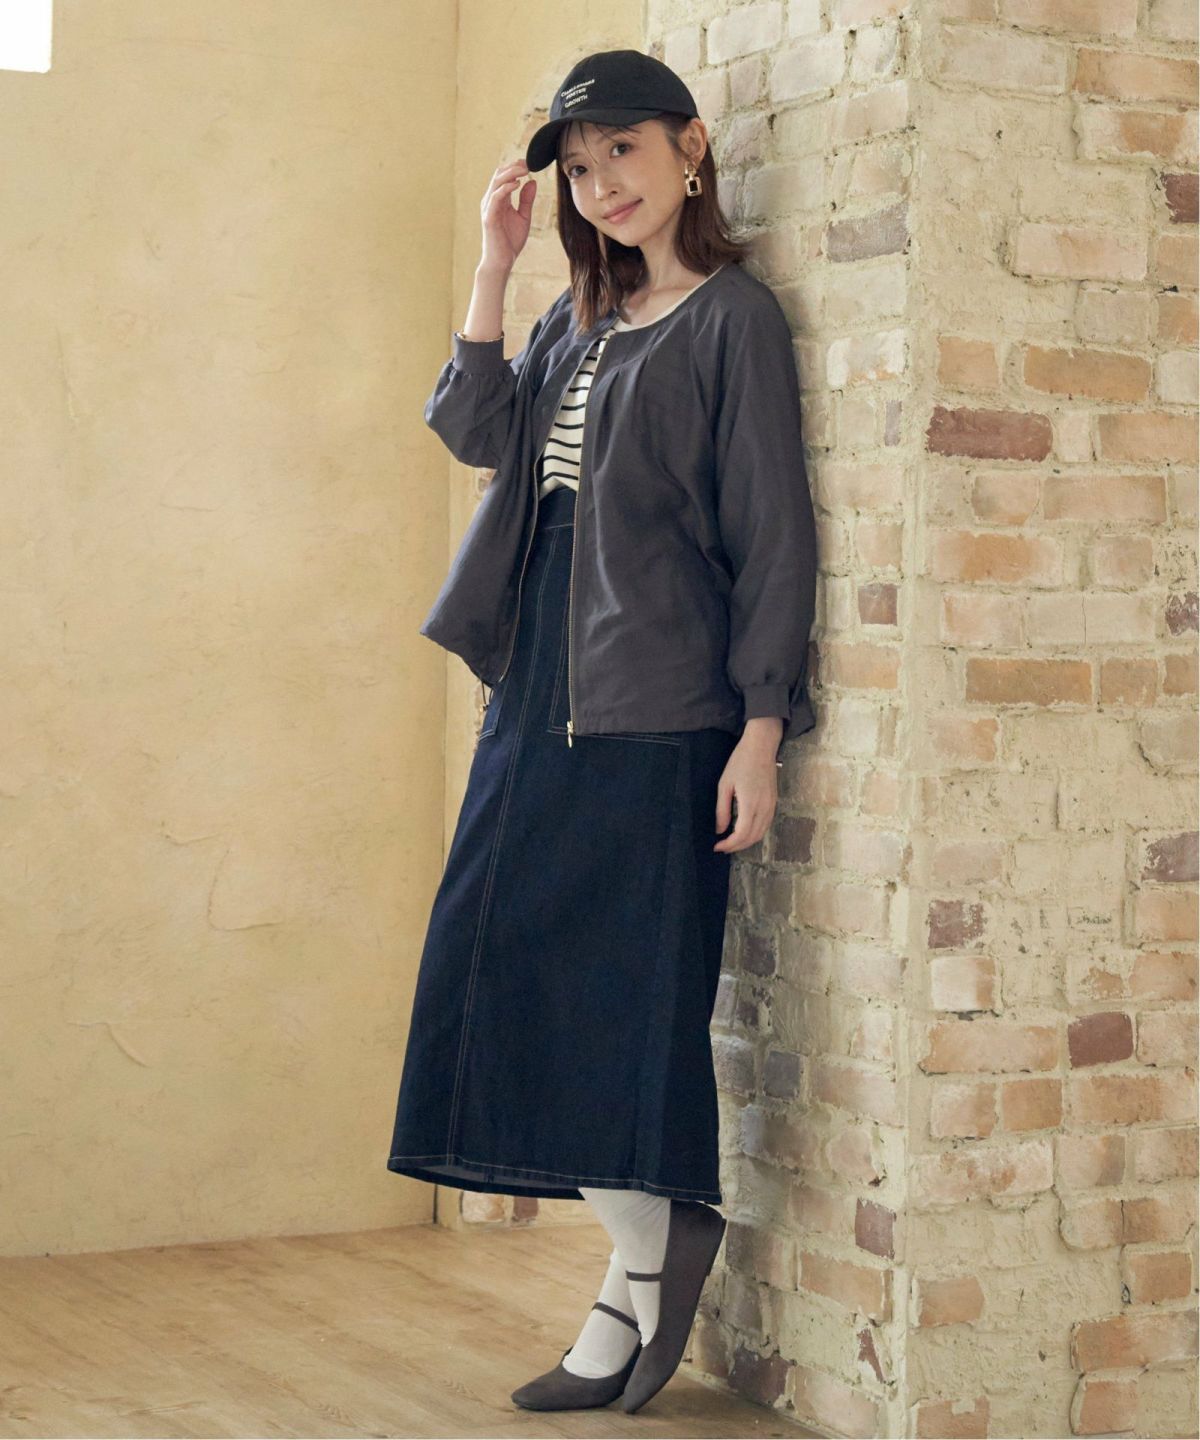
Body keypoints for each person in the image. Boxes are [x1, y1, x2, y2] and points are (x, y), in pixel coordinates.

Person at [386, 48, 817, 1417]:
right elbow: (475, 430)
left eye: (621, 151)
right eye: (579, 167)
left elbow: (772, 537)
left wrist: (761, 730)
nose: (601, 184)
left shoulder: (733, 321)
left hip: (661, 707)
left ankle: (628, 1290)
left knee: (619, 1009)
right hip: (537, 684)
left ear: (691, 146)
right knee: (498, 979)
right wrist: (494, 265)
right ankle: (651, 1253)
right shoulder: (578, 315)